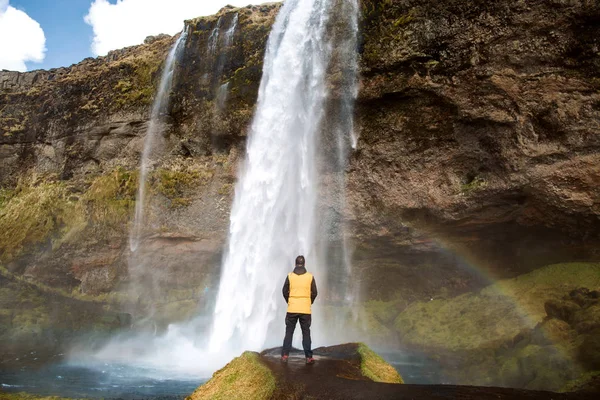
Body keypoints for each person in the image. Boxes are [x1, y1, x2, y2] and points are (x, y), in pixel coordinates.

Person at [281, 255, 318, 364]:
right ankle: (308, 357)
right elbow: (315, 292)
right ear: (304, 264)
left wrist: (290, 301)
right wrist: (308, 302)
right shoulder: (310, 277)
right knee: (306, 333)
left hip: (292, 308)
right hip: (305, 310)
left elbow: (284, 291)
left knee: (289, 333)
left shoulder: (290, 276)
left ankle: (285, 355)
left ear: (295, 263)